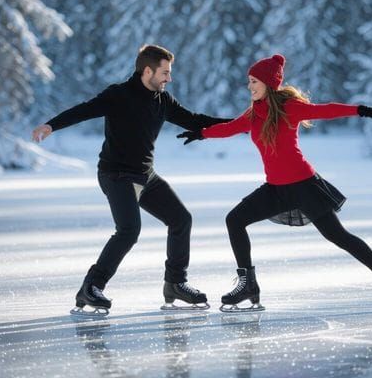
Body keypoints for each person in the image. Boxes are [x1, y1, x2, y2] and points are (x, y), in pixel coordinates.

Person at [178, 53, 372, 311]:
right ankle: (248, 284)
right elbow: (231, 127)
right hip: (275, 189)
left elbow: (324, 110)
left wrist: (359, 110)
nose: (249, 86)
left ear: (268, 83)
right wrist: (202, 133)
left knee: (337, 235)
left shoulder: (290, 107)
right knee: (234, 220)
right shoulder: (254, 113)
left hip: (304, 187)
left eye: (254, 81)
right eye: (249, 81)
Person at [31, 44, 227, 315]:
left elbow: (195, 120)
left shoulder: (163, 100)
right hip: (116, 174)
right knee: (129, 230)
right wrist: (51, 125)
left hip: (145, 175)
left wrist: (243, 124)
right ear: (148, 71)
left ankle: (176, 284)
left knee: (181, 219)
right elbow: (84, 110)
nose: (168, 78)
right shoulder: (118, 95)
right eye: (165, 73)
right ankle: (91, 287)